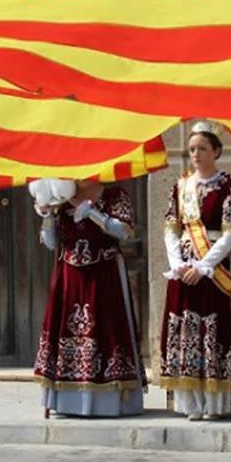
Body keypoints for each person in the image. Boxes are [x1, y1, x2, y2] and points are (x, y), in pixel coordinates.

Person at [159, 122, 231, 419]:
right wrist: (178, 264)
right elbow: (171, 229)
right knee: (185, 329)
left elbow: (230, 234)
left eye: (202, 148)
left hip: (214, 267)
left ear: (216, 151)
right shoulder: (181, 185)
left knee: (215, 329)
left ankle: (216, 403)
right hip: (184, 269)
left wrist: (204, 266)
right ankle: (191, 404)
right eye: (192, 149)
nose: (196, 154)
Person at [31, 178, 146, 417]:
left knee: (107, 330)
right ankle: (67, 400)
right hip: (69, 277)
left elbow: (125, 231)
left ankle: (110, 399)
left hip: (104, 274)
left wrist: (93, 213)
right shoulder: (61, 200)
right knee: (66, 331)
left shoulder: (115, 196)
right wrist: (47, 214)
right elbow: (52, 244)